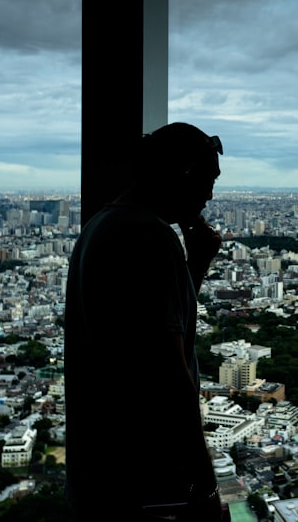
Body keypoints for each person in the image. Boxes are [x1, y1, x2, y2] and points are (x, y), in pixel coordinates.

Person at [64, 122, 229, 521]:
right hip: (141, 480)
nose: (209, 195)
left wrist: (197, 265)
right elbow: (169, 375)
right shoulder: (146, 236)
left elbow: (154, 326)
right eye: (207, 180)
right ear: (183, 173)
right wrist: (203, 483)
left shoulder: (103, 226)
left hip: (103, 471)